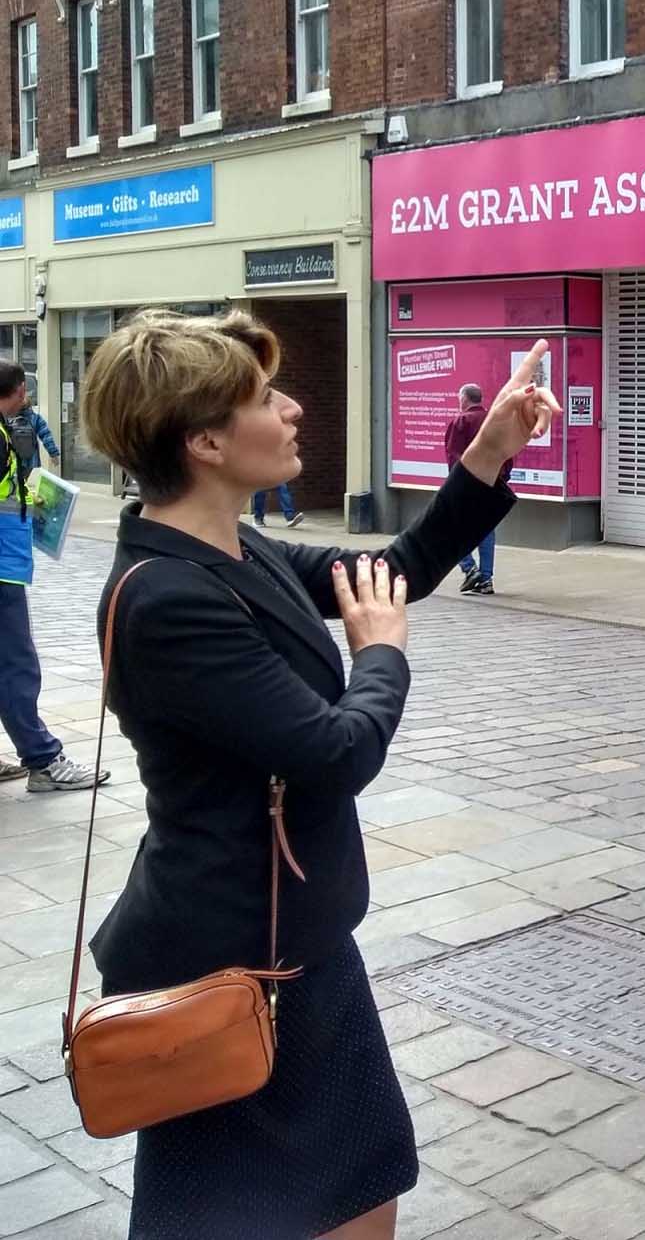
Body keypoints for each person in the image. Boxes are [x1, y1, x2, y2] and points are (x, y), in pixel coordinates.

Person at [81, 310, 555, 1240]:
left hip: (296, 941)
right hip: (233, 966)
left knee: (360, 1177)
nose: (294, 409)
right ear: (206, 440)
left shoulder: (238, 549)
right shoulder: (167, 599)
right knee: (250, 1209)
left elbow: (395, 569)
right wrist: (380, 655)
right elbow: (337, 753)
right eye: (266, 398)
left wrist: (491, 450)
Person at [0, 360, 104, 793]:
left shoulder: (8, 430)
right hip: (2, 571)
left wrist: (31, 497)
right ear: (21, 389)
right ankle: (43, 760)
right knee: (15, 665)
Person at [444, 384, 511, 593]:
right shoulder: (495, 422)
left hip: (468, 483)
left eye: (458, 397)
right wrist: (502, 477)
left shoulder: (461, 421)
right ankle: (486, 579)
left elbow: (453, 455)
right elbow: (507, 453)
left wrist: (456, 483)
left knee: (452, 530)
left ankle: (469, 568)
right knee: (487, 530)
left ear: (464, 399)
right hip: (492, 483)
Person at [7, 395, 58, 473]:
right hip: (32, 461)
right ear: (30, 405)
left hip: (13, 460)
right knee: (29, 483)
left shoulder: (8, 418)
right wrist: (53, 453)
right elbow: (46, 436)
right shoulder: (35, 418)